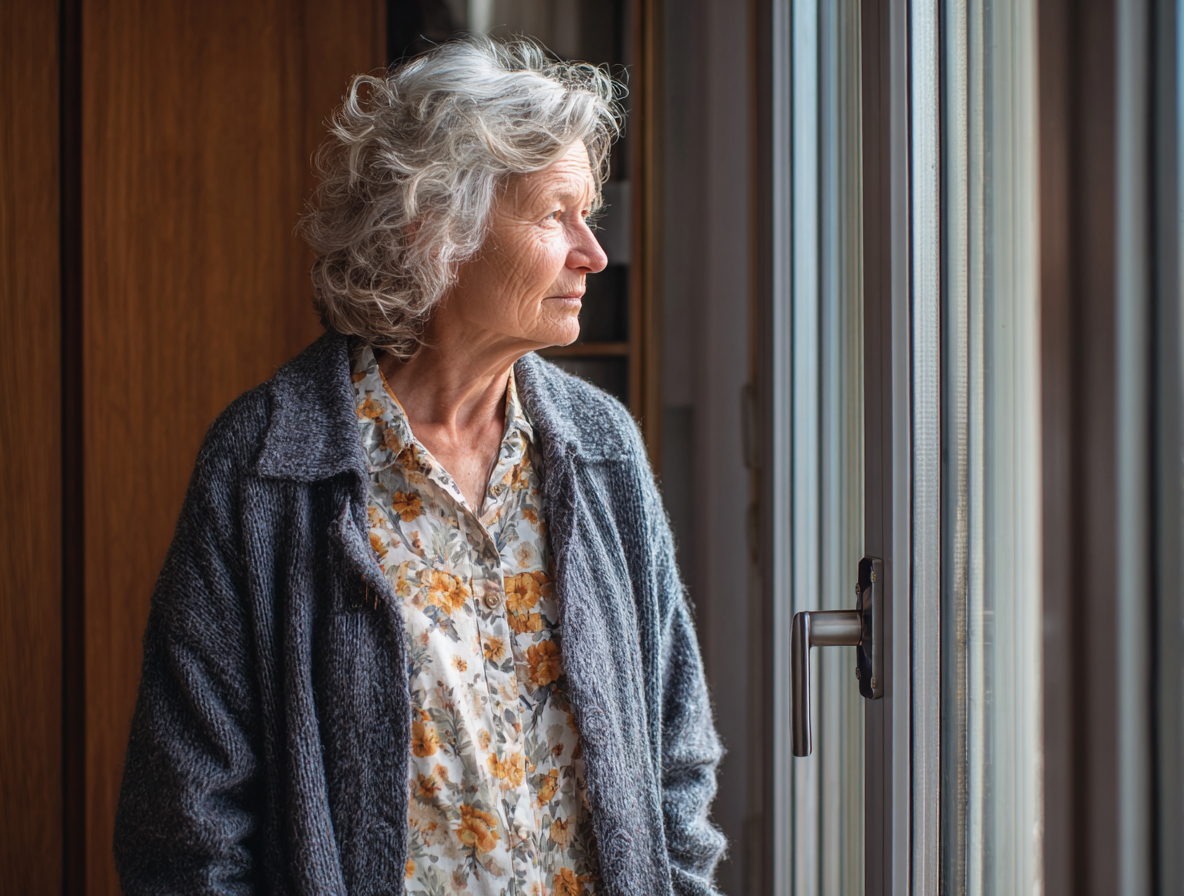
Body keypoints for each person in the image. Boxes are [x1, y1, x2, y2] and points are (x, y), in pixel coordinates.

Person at [113, 36, 725, 896]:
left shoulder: (599, 446)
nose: (594, 254)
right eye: (556, 215)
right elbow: (186, 828)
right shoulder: (265, 466)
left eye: (590, 217)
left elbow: (676, 751)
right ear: (436, 224)